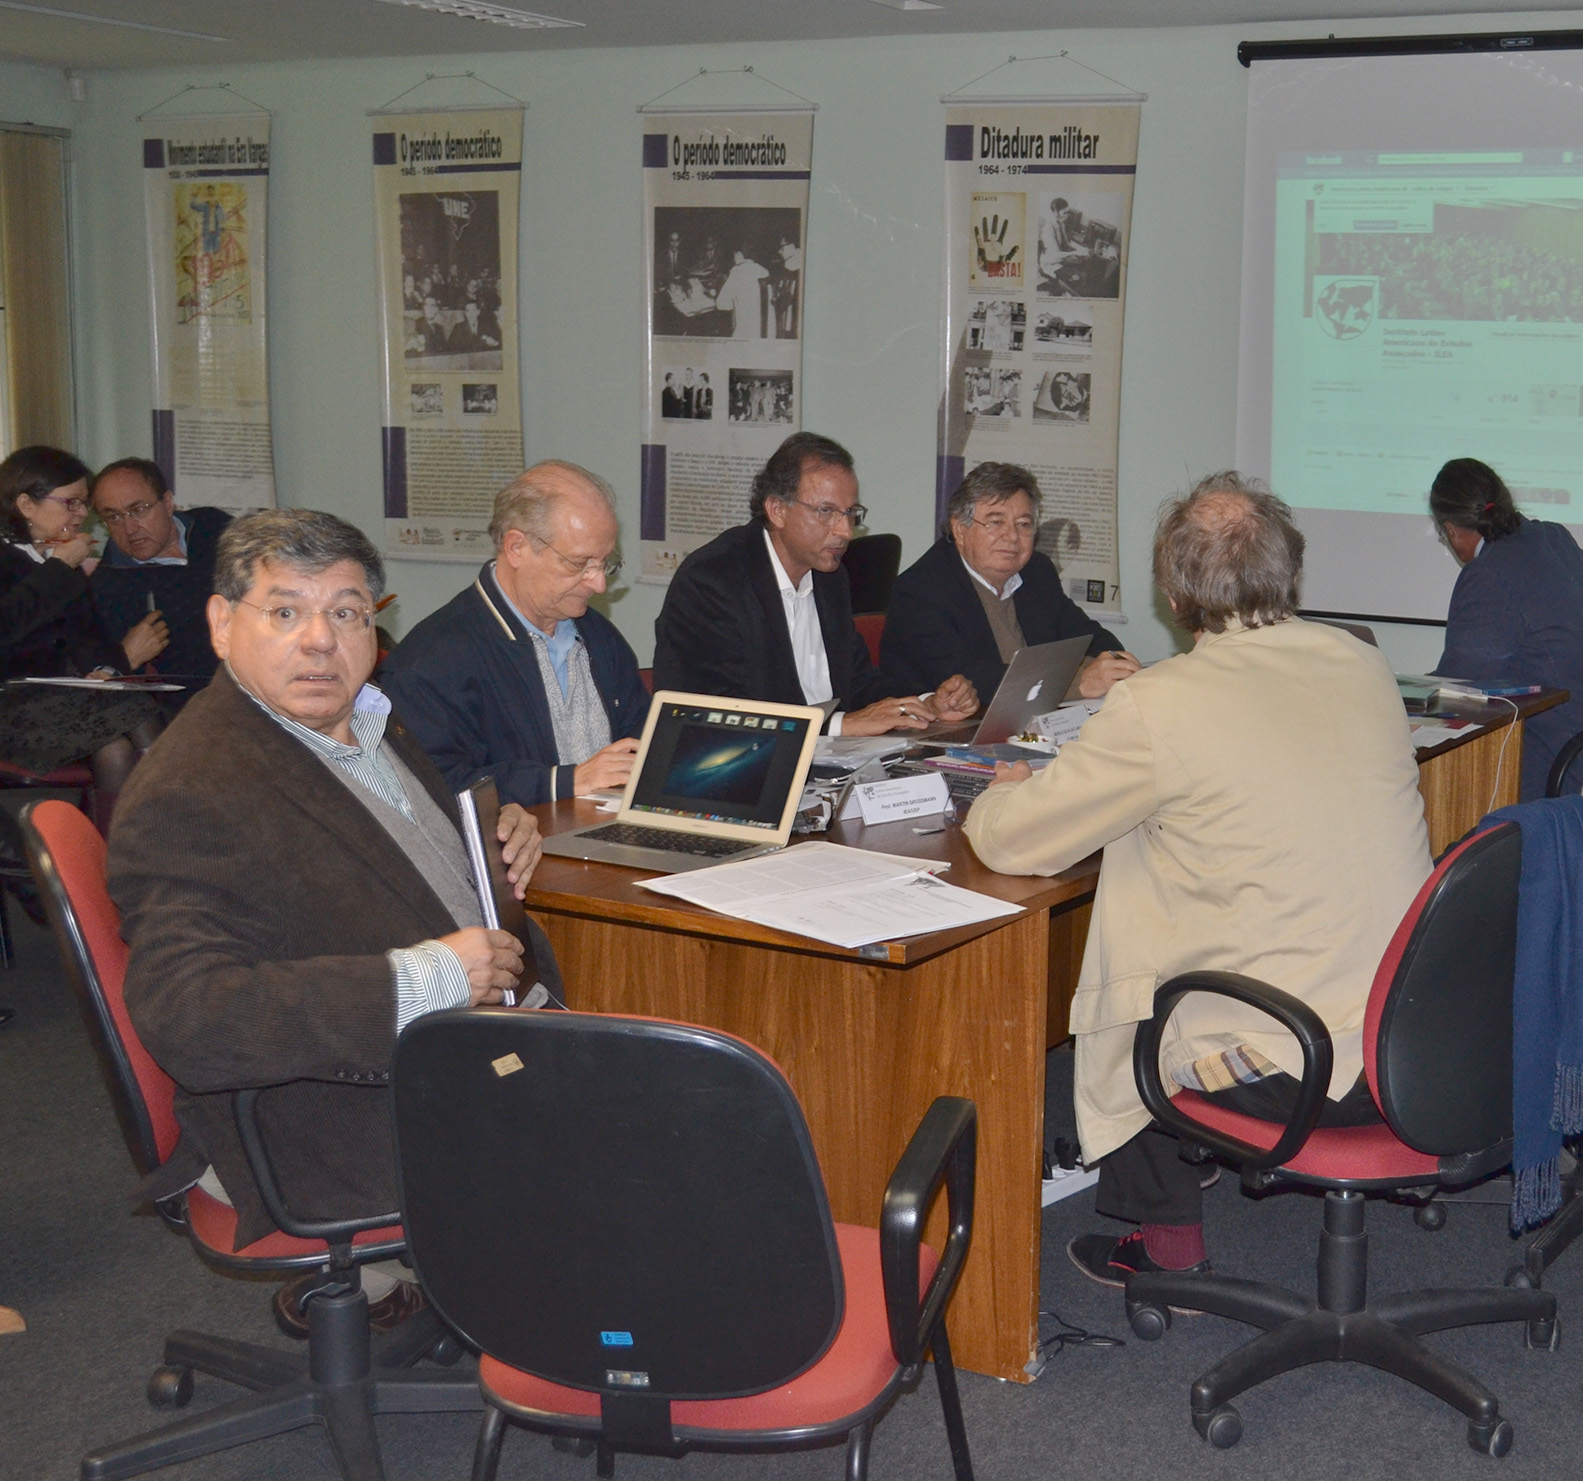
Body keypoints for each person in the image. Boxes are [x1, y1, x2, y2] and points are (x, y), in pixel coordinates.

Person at [964, 474, 1433, 1288]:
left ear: (1175, 594)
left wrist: (1001, 795)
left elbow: (1016, 843)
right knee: (1177, 875)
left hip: (1296, 1055)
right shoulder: (1359, 663)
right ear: (1289, 574)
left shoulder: (1161, 704)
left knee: (1146, 957)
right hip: (1415, 1025)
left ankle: (1168, 1246)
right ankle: (1193, 1165)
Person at [109, 509, 557, 1333]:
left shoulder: (369, 724)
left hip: (458, 1050)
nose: (321, 640)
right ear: (219, 623)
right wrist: (428, 977)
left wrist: (489, 846)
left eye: (346, 611)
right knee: (666, 1111)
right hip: (330, 1109)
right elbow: (193, 1018)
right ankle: (610, 1362)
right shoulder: (193, 791)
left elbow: (373, 867)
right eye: (285, 611)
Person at [653, 432, 979, 736]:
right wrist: (840, 725)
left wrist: (924, 704)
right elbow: (721, 716)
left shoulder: (829, 576)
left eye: (850, 513)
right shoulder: (712, 581)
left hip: (830, 766)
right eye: (826, 512)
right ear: (777, 510)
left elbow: (858, 681)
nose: (845, 531)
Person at [378, 461, 652, 805]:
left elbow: (641, 738)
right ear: (516, 547)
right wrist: (564, 782)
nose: (598, 584)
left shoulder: (598, 636)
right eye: (578, 564)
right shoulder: (431, 663)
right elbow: (433, 788)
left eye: (605, 564)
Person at [0, 446, 168, 830]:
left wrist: (104, 668)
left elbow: (89, 638)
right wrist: (58, 568)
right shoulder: (38, 563)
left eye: (83, 505)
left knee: (114, 747)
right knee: (139, 713)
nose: (81, 515)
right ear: (26, 504)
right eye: (71, 503)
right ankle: (159, 846)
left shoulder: (61, 564)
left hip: (56, 703)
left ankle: (120, 862)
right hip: (9, 707)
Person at [880, 462, 1138, 702]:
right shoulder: (919, 592)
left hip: (1030, 724)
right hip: (945, 735)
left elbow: (1093, 639)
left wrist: (1110, 664)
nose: (1012, 536)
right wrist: (1077, 682)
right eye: (996, 522)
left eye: (1023, 524)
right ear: (960, 529)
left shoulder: (1037, 572)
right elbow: (968, 684)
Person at [1426, 457, 1583, 801]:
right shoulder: (1553, 535)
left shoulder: (1486, 575)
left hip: (1543, 758)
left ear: (1451, 529)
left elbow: (1459, 688)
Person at [86, 457, 234, 693]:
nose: (129, 529)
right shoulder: (107, 587)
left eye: (138, 510)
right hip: (198, 705)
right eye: (113, 517)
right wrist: (123, 660)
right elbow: (109, 669)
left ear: (167, 503)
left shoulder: (215, 527)